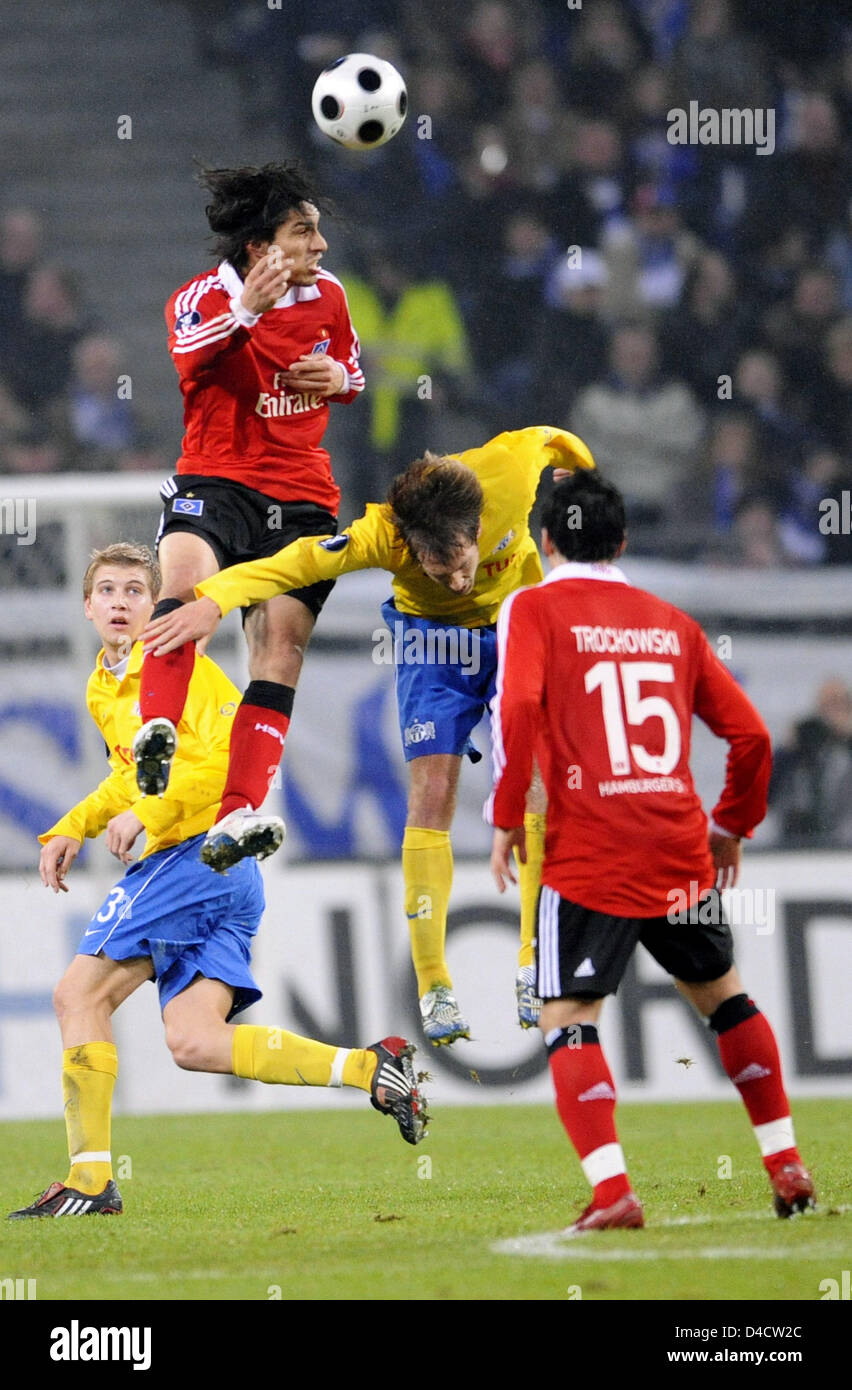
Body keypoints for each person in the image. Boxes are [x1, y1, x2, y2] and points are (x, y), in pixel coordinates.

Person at [141, 426, 596, 1046]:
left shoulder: (509, 474)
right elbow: (291, 563)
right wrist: (214, 599)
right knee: (432, 795)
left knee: (534, 781)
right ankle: (434, 984)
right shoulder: (379, 534)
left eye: (462, 560)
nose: (458, 579)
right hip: (432, 644)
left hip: (517, 625)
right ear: (409, 544)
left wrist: (581, 471)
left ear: (477, 525)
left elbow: (554, 439)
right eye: (440, 567)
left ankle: (532, 958)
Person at [9, 543, 426, 1219]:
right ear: (87, 607)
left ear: (158, 605)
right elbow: (128, 773)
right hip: (221, 874)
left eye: (135, 592)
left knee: (75, 997)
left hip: (198, 855)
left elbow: (226, 764)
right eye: (107, 591)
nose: (120, 602)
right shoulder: (102, 686)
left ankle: (90, 1181)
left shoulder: (181, 671)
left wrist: (148, 811)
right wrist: (75, 824)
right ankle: (370, 1067)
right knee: (195, 1042)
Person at [488, 470, 815, 1232]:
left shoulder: (532, 605)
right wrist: (731, 825)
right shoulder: (672, 622)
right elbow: (753, 737)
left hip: (588, 850)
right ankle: (786, 1160)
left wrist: (507, 813)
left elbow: (523, 703)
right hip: (676, 845)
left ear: (546, 542)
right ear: (623, 540)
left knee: (569, 1014)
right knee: (726, 1000)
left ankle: (613, 1193)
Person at [133, 161, 365, 877]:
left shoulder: (329, 295)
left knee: (280, 651)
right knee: (184, 582)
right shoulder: (199, 299)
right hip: (219, 478)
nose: (321, 247)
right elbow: (189, 362)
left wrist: (341, 381)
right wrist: (247, 315)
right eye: (305, 231)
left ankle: (238, 811)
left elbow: (350, 370)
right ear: (263, 246)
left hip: (301, 497)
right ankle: (158, 732)